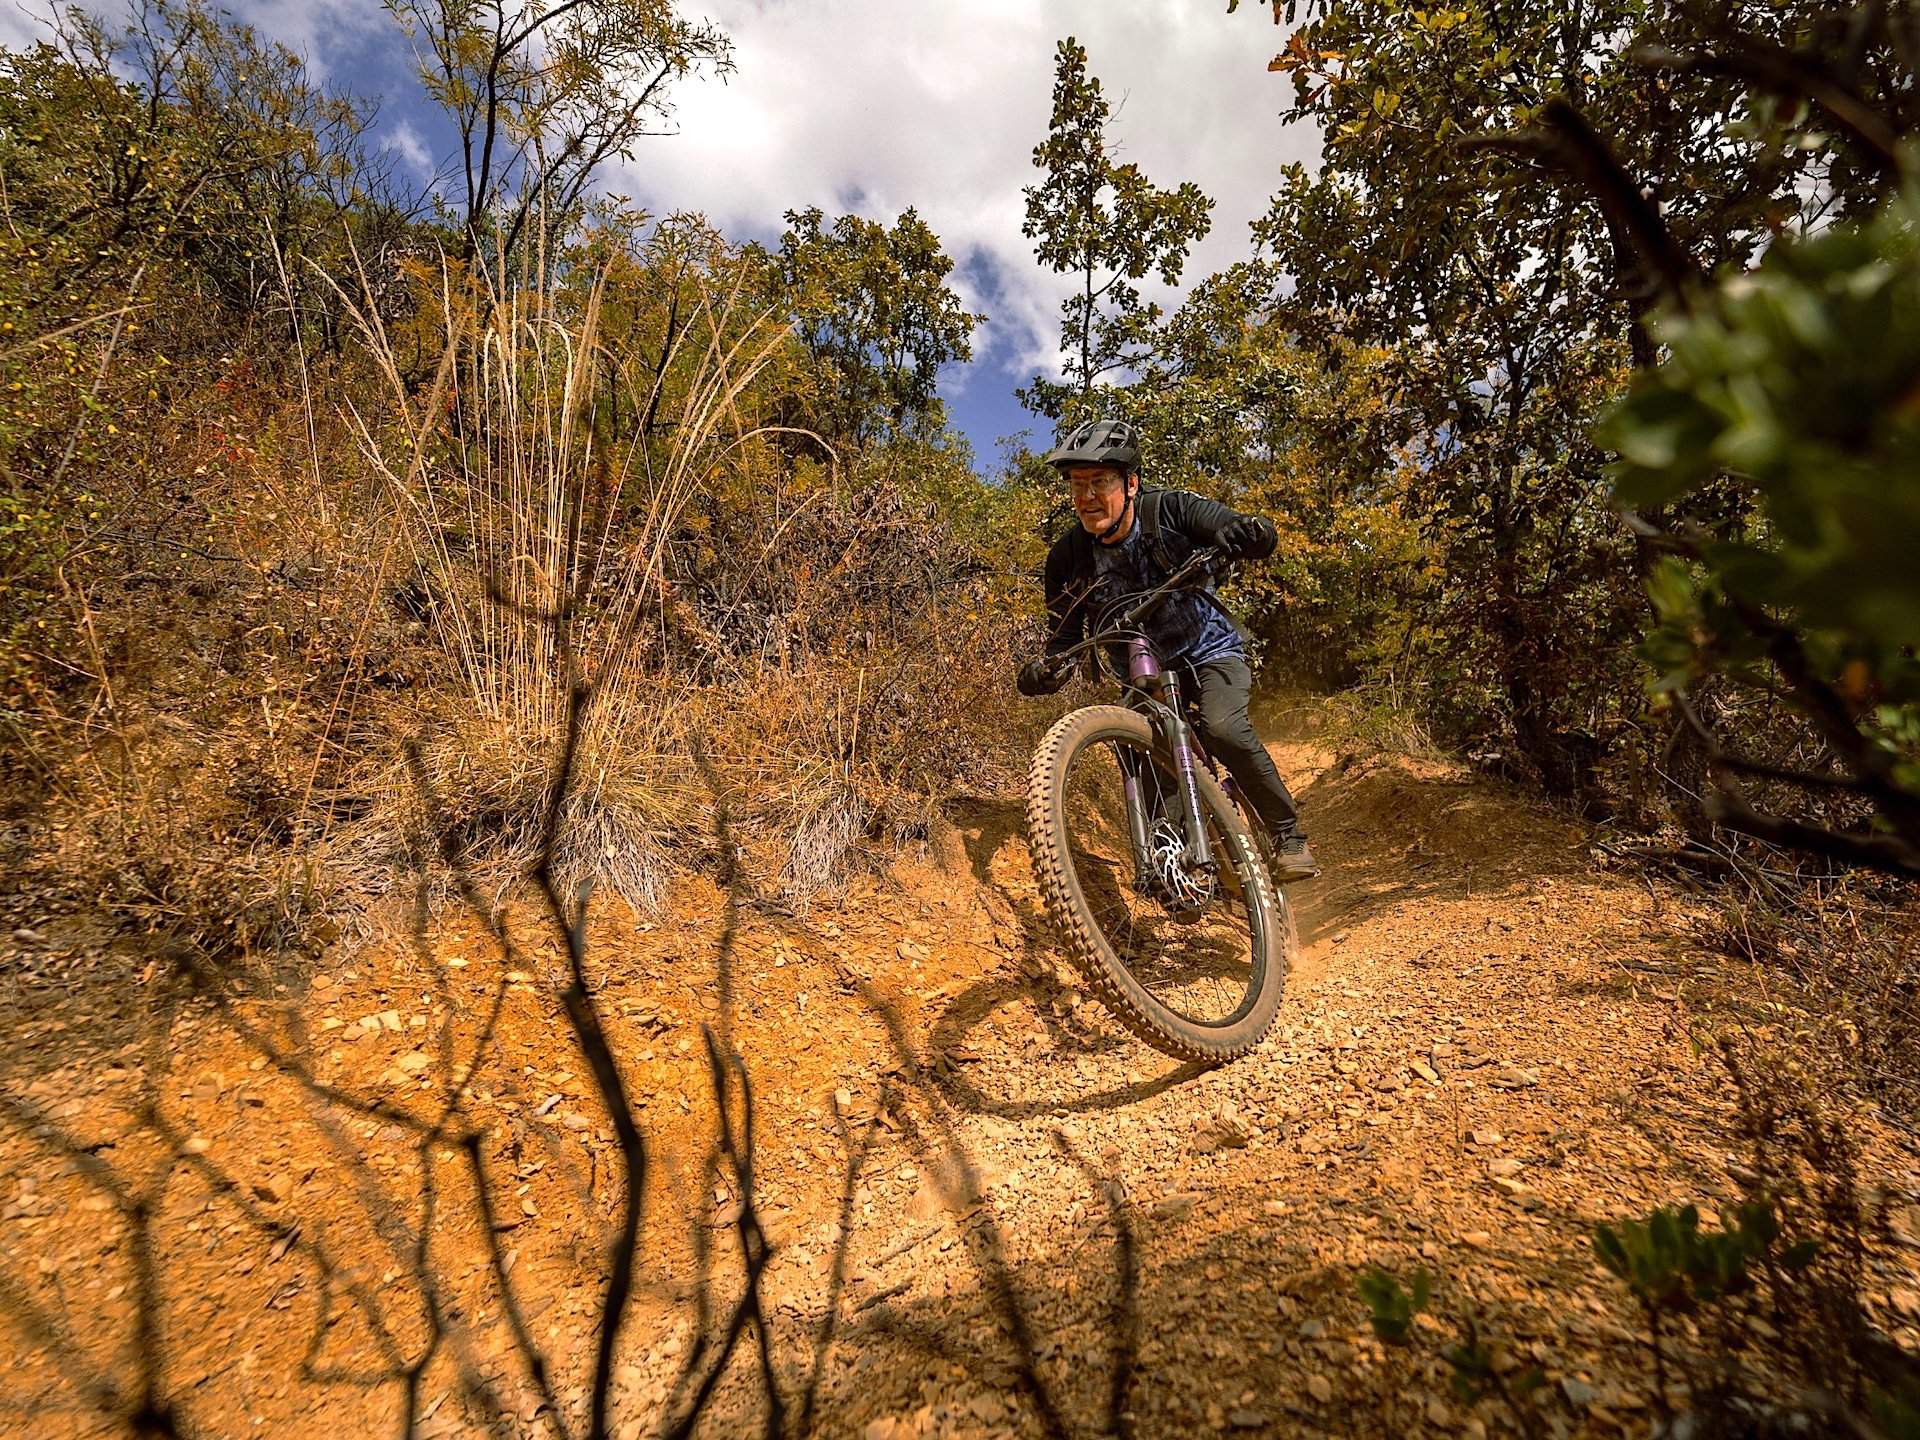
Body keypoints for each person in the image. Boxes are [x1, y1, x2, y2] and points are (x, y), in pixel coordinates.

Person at [1016, 417, 1318, 881]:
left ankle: (1286, 835)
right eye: (1078, 485)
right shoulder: (1067, 557)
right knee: (1139, 751)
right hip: (1140, 674)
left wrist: (1248, 532)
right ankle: (1172, 858)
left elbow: (1229, 524)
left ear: (1131, 483)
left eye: (1099, 482)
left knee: (1222, 727)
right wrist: (1048, 669)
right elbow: (1066, 635)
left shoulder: (1170, 510)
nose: (1086, 497)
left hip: (1208, 650)